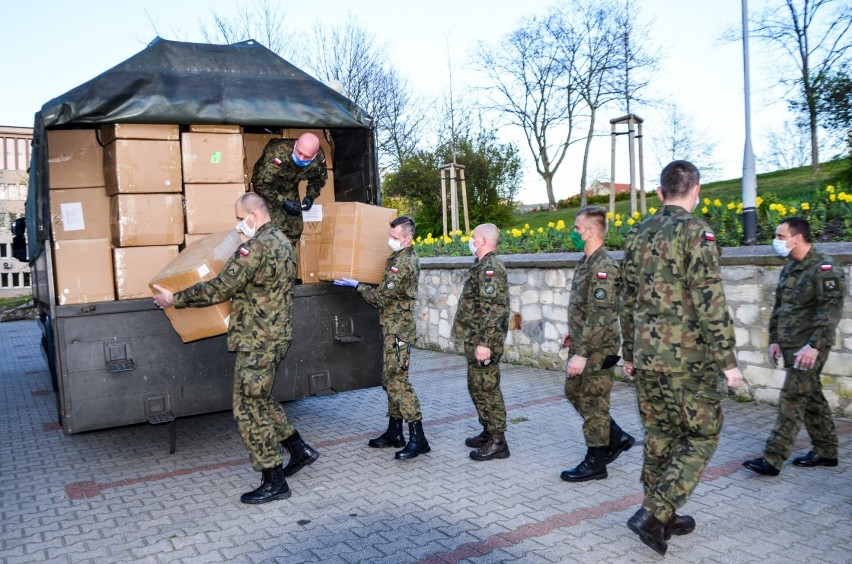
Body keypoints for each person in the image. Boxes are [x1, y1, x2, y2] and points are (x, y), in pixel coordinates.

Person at [152, 192, 319, 505]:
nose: (238, 224)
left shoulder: (253, 247)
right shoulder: (283, 241)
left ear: (254, 216)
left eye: (240, 217)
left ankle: (274, 479)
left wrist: (175, 299)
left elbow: (220, 287)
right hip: (277, 335)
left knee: (247, 408)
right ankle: (299, 449)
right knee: (262, 398)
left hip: (257, 340)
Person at [620, 160, 743, 555]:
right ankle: (655, 513)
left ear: (659, 193)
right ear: (697, 190)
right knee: (703, 435)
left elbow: (626, 301)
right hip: (687, 362)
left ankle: (664, 515)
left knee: (660, 437)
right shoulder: (696, 232)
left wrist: (628, 352)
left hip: (646, 357)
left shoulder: (638, 234)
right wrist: (728, 361)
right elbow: (710, 300)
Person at [743, 217, 845, 477]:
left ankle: (773, 458)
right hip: (790, 345)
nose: (775, 241)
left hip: (809, 349)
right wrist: (774, 340)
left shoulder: (825, 268)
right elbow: (780, 308)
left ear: (797, 238)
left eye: (780, 236)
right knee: (812, 398)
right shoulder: (791, 268)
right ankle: (827, 451)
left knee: (792, 399)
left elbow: (829, 312)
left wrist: (814, 346)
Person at [333, 216, 430, 460]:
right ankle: (395, 431)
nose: (390, 240)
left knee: (398, 381)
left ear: (408, 238)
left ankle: (418, 438)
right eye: (390, 235)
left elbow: (380, 299)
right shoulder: (399, 257)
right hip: (392, 326)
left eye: (395, 237)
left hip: (398, 329)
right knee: (389, 379)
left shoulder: (402, 263)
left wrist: (357, 286)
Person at [560, 206, 635, 483]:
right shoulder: (585, 261)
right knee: (573, 391)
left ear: (591, 231)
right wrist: (573, 334)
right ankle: (615, 436)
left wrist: (581, 352)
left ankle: (596, 460)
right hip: (584, 342)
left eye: (577, 228)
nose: (574, 232)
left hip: (597, 348)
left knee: (593, 401)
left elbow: (601, 314)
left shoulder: (603, 266)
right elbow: (585, 308)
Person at [452, 223, 511, 461]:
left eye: (473, 237)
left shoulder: (491, 269)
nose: (471, 241)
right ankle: (488, 431)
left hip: (483, 341)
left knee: (488, 390)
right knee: (476, 387)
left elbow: (494, 310)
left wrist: (485, 343)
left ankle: (498, 441)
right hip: (475, 339)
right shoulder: (481, 266)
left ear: (483, 241)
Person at [251, 132, 328, 242]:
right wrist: (283, 202)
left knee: (295, 228)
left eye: (307, 156)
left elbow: (318, 180)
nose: (301, 158)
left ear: (314, 155)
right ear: (295, 144)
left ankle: (289, 255)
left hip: (290, 186)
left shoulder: (318, 158)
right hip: (269, 187)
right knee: (277, 230)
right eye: (299, 152)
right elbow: (259, 184)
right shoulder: (277, 153)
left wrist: (310, 196)